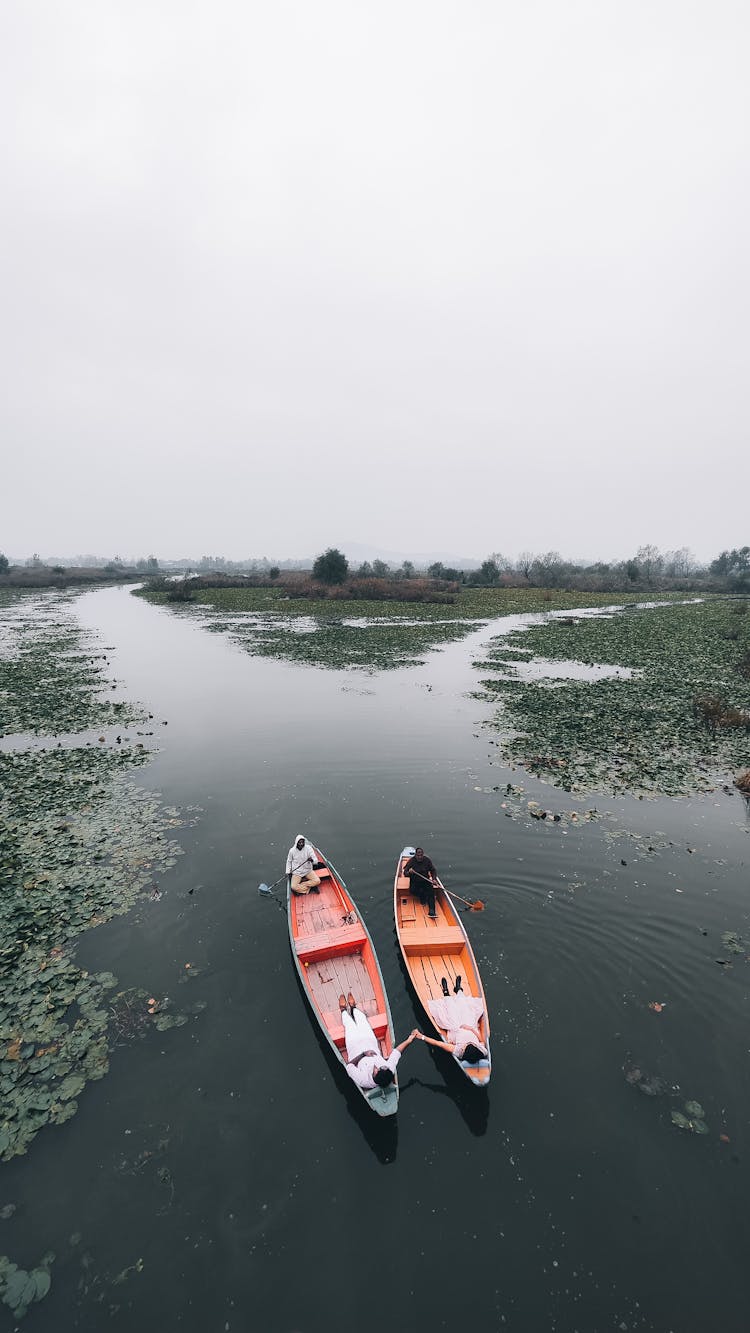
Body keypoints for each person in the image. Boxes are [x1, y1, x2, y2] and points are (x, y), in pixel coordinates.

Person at [339, 993, 418, 1090]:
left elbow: (349, 1066)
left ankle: (343, 1010)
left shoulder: (363, 1080)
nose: (380, 1065)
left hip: (355, 1047)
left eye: (378, 1068)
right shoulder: (388, 1068)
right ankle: (353, 1008)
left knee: (350, 1025)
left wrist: (363, 1054)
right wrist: (409, 1040)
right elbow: (397, 1051)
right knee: (363, 1020)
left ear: (375, 1073)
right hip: (370, 1042)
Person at [416, 975, 488, 1063]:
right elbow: (481, 1040)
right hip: (469, 1025)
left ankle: (446, 993)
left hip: (456, 1029)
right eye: (471, 1043)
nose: (468, 1043)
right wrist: (471, 1029)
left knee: (452, 1012)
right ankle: (458, 989)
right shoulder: (482, 1051)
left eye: (466, 1045)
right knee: (464, 1007)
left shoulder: (458, 1051)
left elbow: (438, 1043)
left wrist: (422, 1037)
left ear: (464, 1050)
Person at [403, 846, 438, 918]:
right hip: (415, 881)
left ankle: (432, 911)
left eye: (421, 855)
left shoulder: (427, 860)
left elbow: (433, 870)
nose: (419, 857)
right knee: (413, 891)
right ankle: (422, 896)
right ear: (415, 855)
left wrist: (434, 879)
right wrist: (409, 872)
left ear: (423, 854)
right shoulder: (411, 861)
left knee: (431, 892)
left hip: (426, 880)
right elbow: (405, 873)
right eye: (418, 855)